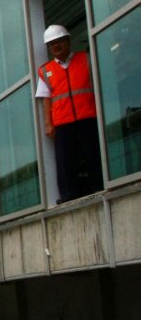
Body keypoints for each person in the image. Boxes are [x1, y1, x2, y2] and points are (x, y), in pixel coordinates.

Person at [36, 24, 102, 203]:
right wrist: (48, 123)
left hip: (88, 115)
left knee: (93, 152)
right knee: (65, 160)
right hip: (63, 121)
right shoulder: (45, 71)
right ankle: (68, 194)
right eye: (52, 44)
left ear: (68, 41)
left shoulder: (86, 59)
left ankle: (99, 185)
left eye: (59, 42)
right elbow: (45, 98)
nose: (56, 46)